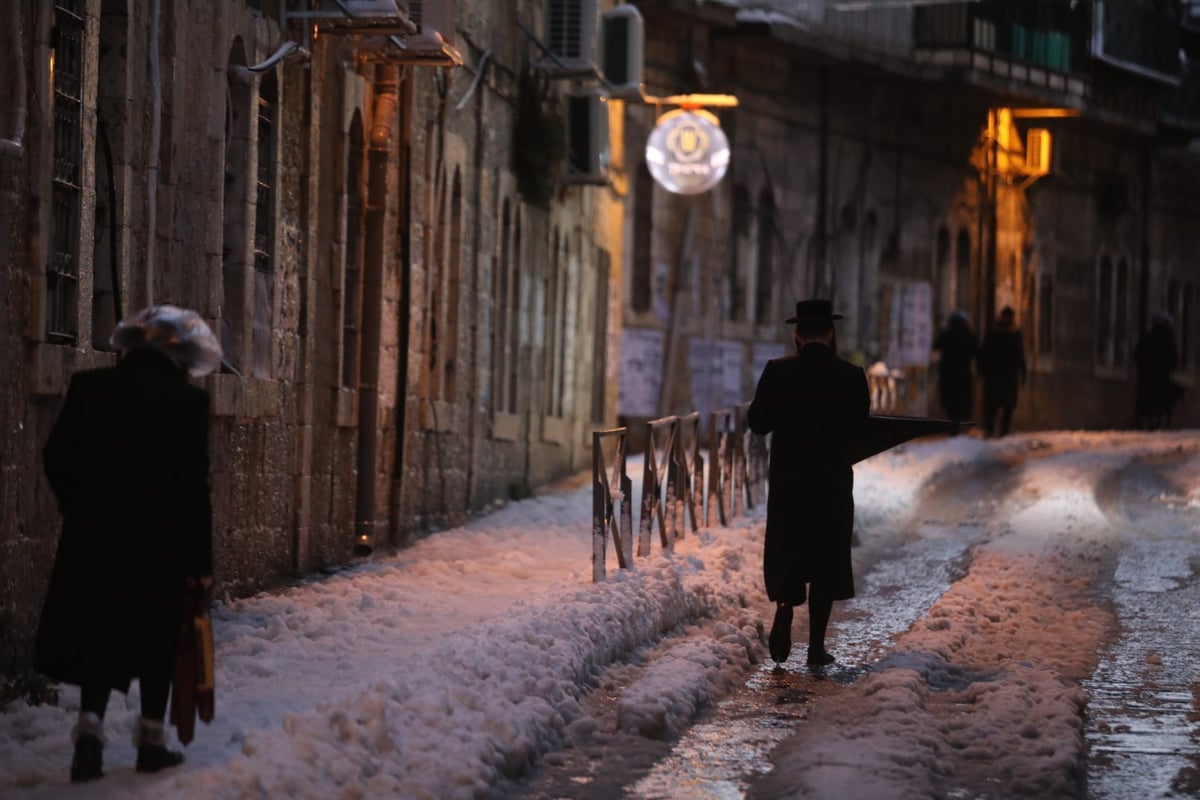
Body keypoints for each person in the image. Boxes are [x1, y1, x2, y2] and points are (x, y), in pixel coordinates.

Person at [35, 305, 220, 783]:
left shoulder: (90, 389)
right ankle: (151, 740)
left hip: (96, 539)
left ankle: (90, 739)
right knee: (160, 639)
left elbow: (57, 456)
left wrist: (81, 511)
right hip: (163, 547)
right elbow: (193, 489)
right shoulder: (187, 404)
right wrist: (200, 562)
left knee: (101, 633)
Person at [747, 299, 870, 667]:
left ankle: (785, 609)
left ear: (798, 335)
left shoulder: (778, 372)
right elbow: (860, 432)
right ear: (831, 334)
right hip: (831, 484)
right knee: (826, 560)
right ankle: (816, 647)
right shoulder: (851, 375)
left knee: (789, 551)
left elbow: (757, 423)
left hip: (789, 484)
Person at [977, 306, 1026, 437]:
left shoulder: (999, 333)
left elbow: (983, 353)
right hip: (1002, 375)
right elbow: (1019, 354)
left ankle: (997, 429)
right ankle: (995, 429)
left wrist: (981, 370)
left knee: (1000, 405)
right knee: (999, 405)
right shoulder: (1007, 334)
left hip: (999, 375)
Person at [1135, 310, 1183, 430]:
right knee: (1163, 398)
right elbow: (1174, 358)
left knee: (1149, 398)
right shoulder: (1168, 339)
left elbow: (1137, 355)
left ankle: (1149, 420)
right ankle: (1160, 419)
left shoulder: (1147, 337)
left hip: (1147, 375)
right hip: (1162, 375)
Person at [932, 310, 979, 434]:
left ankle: (953, 427)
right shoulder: (970, 335)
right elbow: (977, 353)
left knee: (950, 401)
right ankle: (961, 426)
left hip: (948, 373)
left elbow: (936, 346)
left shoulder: (946, 334)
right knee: (962, 399)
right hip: (964, 373)